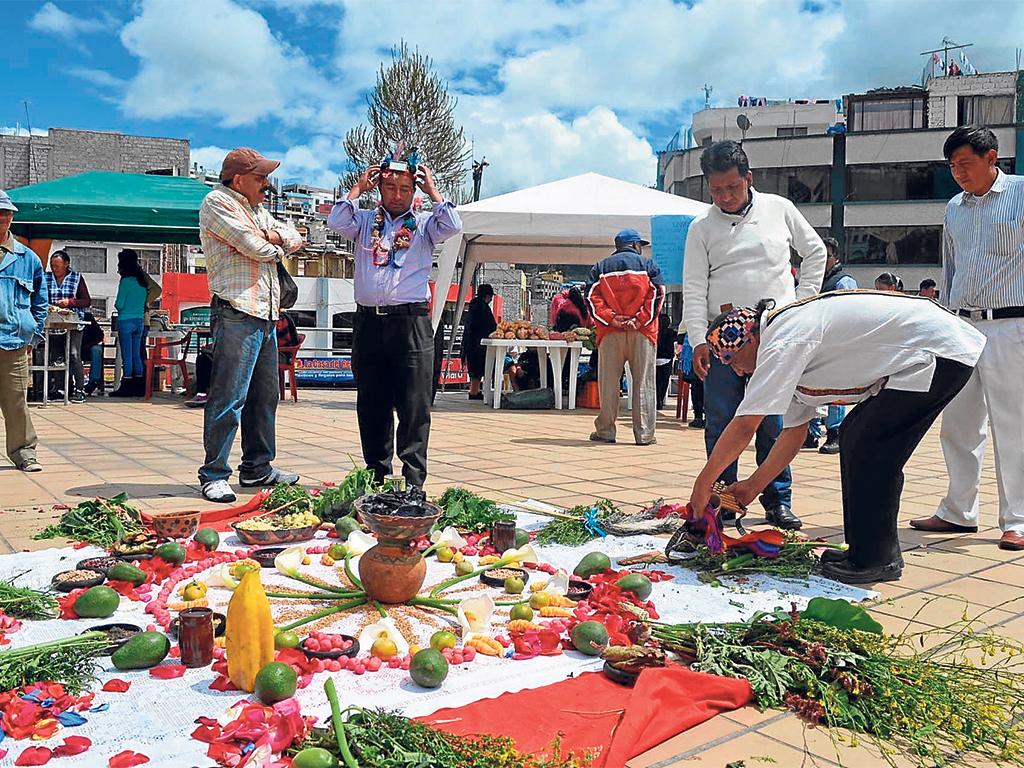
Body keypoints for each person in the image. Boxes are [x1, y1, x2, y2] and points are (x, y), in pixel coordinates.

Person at [688, 292, 985, 583]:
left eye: (732, 358)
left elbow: (745, 425)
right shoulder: (785, 344)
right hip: (929, 353)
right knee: (858, 436)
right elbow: (794, 433)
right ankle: (865, 553)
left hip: (938, 351)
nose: (738, 370)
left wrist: (702, 484)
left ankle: (877, 559)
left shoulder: (782, 340)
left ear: (750, 338)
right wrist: (753, 486)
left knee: (870, 444)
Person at [682, 140, 827, 530]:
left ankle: (777, 499)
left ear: (749, 178)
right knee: (721, 421)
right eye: (716, 190)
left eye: (732, 187)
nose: (725, 197)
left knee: (772, 422)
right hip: (723, 343)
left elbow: (814, 252)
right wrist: (698, 339)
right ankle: (724, 496)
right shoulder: (701, 227)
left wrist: (802, 303)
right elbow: (694, 287)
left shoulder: (779, 208)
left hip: (774, 335)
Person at [909, 126, 1024, 551]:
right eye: (953, 166)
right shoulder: (954, 207)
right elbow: (950, 270)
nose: (959, 173)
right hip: (962, 325)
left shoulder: (1021, 195)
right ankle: (959, 511)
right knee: (958, 423)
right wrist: (944, 323)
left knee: (1013, 425)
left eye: (966, 164)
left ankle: (1018, 519)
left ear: (992, 157)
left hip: (1012, 325)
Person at [327, 147, 462, 488]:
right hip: (369, 323)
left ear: (414, 191)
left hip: (411, 323)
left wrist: (433, 191)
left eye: (405, 190)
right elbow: (336, 221)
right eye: (390, 189)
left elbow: (453, 225)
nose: (398, 196)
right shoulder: (363, 222)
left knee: (415, 404)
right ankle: (375, 476)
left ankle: (414, 481)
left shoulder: (425, 224)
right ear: (380, 189)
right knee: (371, 401)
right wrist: (357, 189)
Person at [197, 148, 304, 503]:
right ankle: (214, 473)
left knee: (264, 397)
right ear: (238, 179)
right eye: (260, 178)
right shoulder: (217, 202)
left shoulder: (256, 210)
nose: (267, 185)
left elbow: (296, 237)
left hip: (266, 314)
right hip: (237, 311)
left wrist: (275, 237)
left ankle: (258, 467)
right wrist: (275, 240)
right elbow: (254, 246)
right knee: (229, 396)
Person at [586, 228, 664, 446]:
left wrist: (613, 319)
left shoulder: (600, 268)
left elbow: (592, 299)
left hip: (610, 332)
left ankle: (606, 431)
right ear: (636, 245)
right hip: (643, 332)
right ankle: (644, 434)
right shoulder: (649, 266)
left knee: (609, 383)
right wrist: (638, 320)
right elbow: (657, 295)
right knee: (643, 382)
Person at [0, 189, 47, 472]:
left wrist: (35, 333)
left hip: (15, 341)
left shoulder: (28, 258)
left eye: (6, 214)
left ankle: (23, 452)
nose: (2, 219)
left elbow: (40, 302)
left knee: (17, 400)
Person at [186, 312, 299, 409]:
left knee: (220, 357)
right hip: (263, 350)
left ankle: (218, 395)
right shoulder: (263, 320)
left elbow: (276, 343)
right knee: (205, 357)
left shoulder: (279, 320)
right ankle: (203, 392)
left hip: (280, 354)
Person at [807, 236, 858, 454]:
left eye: (825, 256)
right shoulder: (813, 279)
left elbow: (849, 313)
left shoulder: (843, 281)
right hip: (814, 341)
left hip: (836, 342)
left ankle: (835, 433)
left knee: (835, 388)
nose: (821, 260)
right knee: (810, 386)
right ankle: (811, 433)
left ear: (835, 257)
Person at [44, 250, 91, 403]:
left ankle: (79, 388)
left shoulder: (77, 278)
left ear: (66, 264)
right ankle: (59, 388)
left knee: (74, 354)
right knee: (56, 356)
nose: (55, 269)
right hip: (53, 322)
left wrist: (70, 302)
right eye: (52, 266)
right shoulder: (46, 278)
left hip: (73, 322)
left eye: (57, 266)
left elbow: (86, 301)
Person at [108, 250, 150, 398]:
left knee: (127, 355)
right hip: (140, 321)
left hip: (126, 321)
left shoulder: (125, 281)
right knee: (137, 355)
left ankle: (126, 385)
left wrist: (119, 305)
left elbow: (119, 304)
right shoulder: (142, 282)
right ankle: (139, 385)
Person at [462, 284, 497, 400]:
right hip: (478, 344)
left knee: (474, 369)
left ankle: (474, 390)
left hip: (470, 342)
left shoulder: (473, 305)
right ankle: (474, 392)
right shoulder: (483, 308)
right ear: (487, 296)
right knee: (478, 369)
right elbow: (490, 326)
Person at [679, 328, 705, 428]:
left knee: (697, 386)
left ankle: (698, 417)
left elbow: (681, 333)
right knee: (706, 387)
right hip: (711, 345)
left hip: (693, 346)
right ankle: (704, 417)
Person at [654, 313, 676, 410]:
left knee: (655, 381)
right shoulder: (671, 333)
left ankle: (656, 399)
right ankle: (661, 400)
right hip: (667, 360)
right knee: (664, 381)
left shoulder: (655, 332)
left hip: (655, 359)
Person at [80, 312, 105, 396]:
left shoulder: (87, 316)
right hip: (74, 347)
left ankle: (93, 381)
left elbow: (99, 334)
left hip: (88, 346)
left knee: (97, 350)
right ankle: (69, 382)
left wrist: (89, 345)